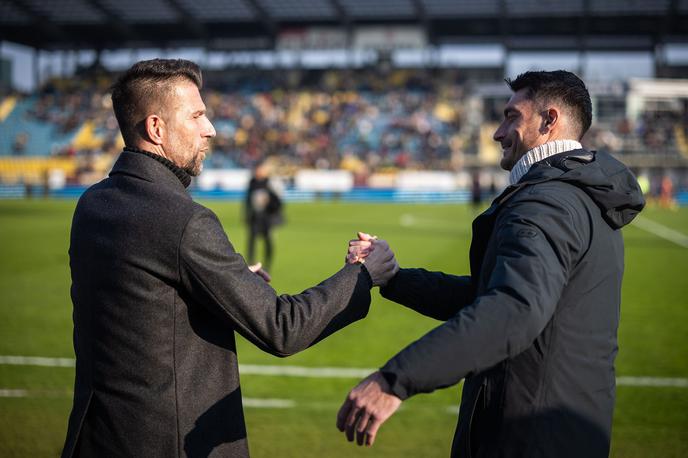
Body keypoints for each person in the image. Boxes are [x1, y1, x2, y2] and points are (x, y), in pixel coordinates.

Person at [62, 59, 397, 458]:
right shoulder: (184, 220)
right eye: (198, 115)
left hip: (98, 439)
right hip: (170, 443)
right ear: (156, 128)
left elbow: (140, 298)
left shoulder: (92, 204)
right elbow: (281, 327)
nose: (211, 129)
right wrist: (362, 275)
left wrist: (220, 283)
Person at [338, 70, 645, 457]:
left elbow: (514, 308)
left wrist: (395, 379)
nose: (498, 133)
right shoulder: (580, 196)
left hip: (529, 438)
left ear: (549, 120)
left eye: (511, 116)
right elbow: (495, 294)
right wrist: (396, 279)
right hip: (563, 429)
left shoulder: (546, 203)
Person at [245, 161, 282, 271]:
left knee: (268, 242)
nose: (258, 172)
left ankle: (267, 264)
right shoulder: (252, 183)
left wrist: (270, 204)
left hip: (267, 218)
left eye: (260, 169)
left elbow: (278, 202)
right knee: (251, 242)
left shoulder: (270, 183)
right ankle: (251, 263)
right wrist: (247, 214)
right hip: (255, 217)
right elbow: (247, 200)